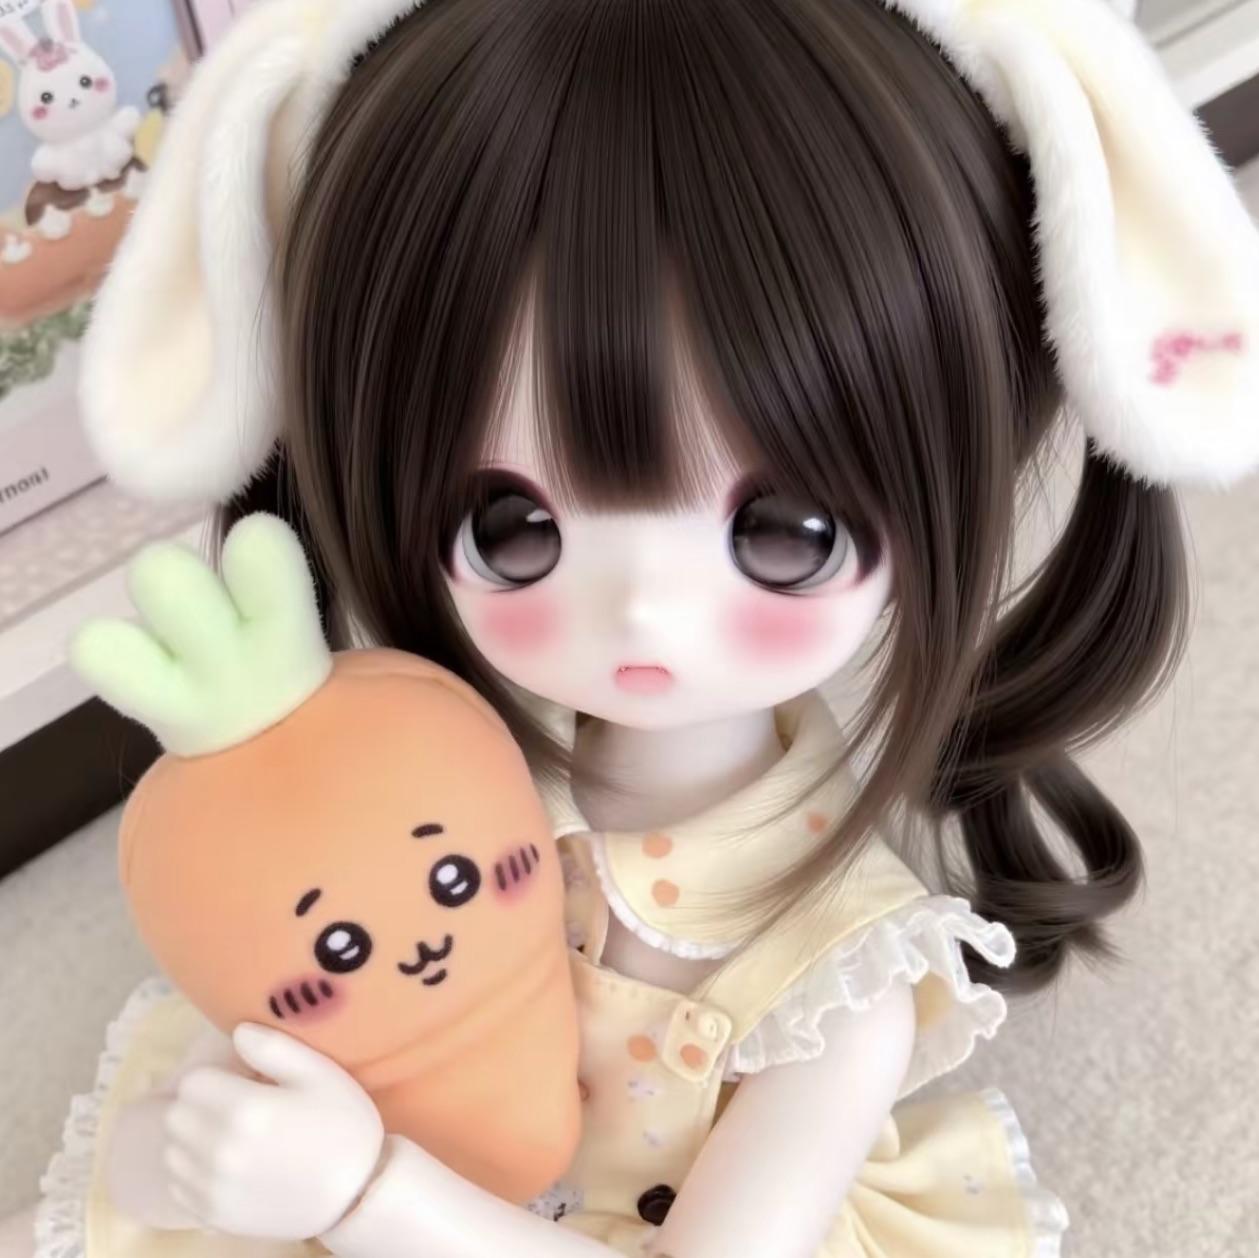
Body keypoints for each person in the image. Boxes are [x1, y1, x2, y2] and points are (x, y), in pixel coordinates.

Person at [8, 0, 1259, 1255]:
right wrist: (209, 1155)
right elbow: (198, 1107)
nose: (641, 609)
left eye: (782, 533)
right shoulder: (428, 753)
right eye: (511, 526)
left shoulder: (841, 978)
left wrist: (363, 1190)